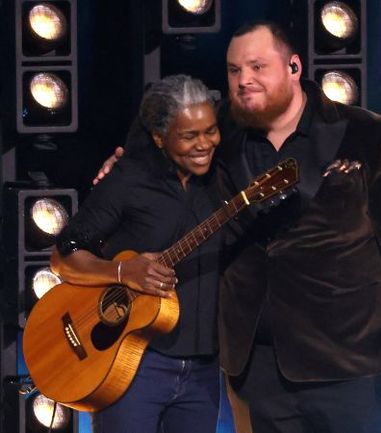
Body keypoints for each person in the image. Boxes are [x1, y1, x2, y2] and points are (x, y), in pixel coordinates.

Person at [98, 20, 381, 433]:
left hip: (353, 360)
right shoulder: (218, 133)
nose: (244, 80)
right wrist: (123, 168)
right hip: (259, 363)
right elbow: (155, 132)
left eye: (257, 67)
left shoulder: (369, 133)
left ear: (294, 67)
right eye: (234, 70)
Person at [53, 74, 222, 433]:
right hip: (133, 365)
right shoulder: (128, 180)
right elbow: (65, 255)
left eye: (211, 131)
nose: (204, 144)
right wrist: (121, 272)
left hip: (203, 372)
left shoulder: (222, 178)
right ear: (160, 137)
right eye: (190, 135)